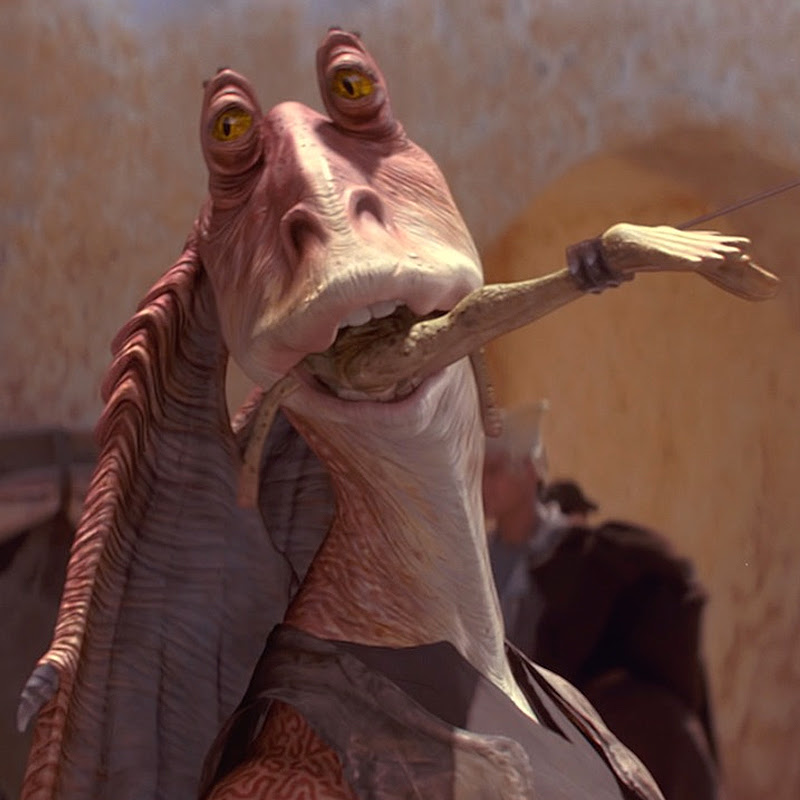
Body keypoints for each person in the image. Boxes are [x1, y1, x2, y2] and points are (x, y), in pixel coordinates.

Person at [483, 405, 721, 800]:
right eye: (479, 471)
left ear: (528, 470)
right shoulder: (480, 557)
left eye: (494, 471)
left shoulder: (572, 553)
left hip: (568, 730)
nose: (483, 484)